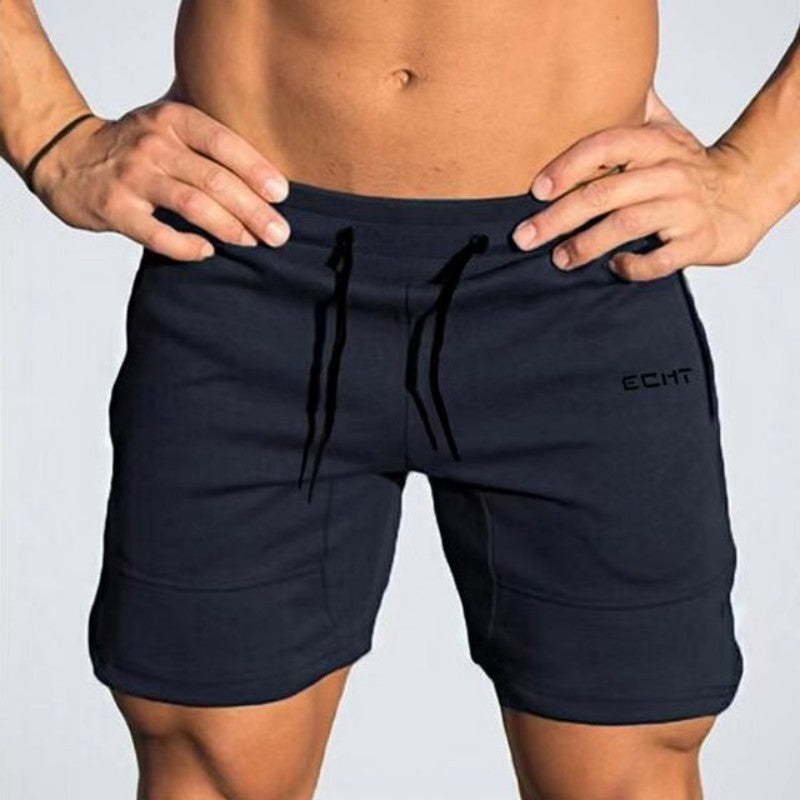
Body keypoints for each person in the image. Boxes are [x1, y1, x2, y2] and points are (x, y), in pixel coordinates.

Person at [3, 1, 799, 797]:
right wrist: (50, 132)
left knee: (630, 775)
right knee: (209, 768)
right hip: (251, 260)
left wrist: (758, 173)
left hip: (575, 272)